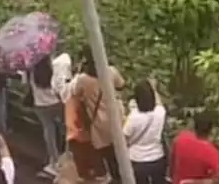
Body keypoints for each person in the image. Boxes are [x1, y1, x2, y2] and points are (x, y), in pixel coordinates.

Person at [66, 49, 124, 182]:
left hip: (97, 123)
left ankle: (111, 176)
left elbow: (74, 93)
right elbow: (121, 85)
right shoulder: (111, 72)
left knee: (105, 153)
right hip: (115, 120)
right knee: (118, 153)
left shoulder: (83, 79)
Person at [27, 53, 71, 177]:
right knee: (67, 127)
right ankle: (67, 156)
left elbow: (27, 85)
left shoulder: (31, 69)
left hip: (40, 104)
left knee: (48, 130)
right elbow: (58, 84)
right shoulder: (53, 67)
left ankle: (54, 160)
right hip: (56, 102)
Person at [125, 79, 167, 184]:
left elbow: (125, 137)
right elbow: (159, 103)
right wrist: (154, 89)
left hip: (137, 159)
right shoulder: (160, 112)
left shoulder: (133, 117)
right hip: (157, 157)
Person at [171, 111, 219, 184]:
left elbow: (172, 162)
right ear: (212, 130)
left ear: (194, 126)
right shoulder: (213, 153)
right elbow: (215, 179)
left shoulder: (181, 138)